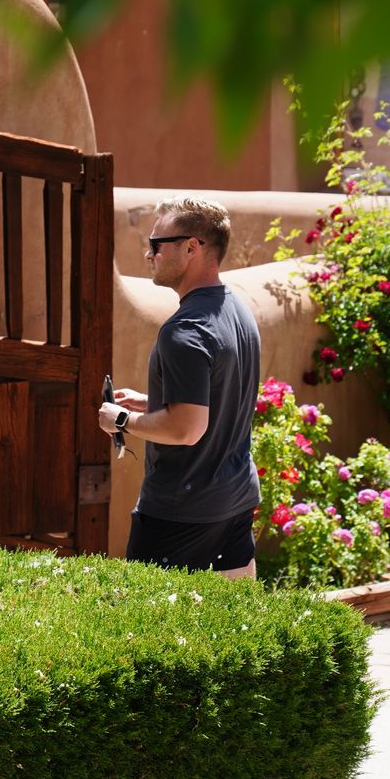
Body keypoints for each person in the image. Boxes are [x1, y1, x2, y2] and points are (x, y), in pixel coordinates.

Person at [97, 195, 261, 579]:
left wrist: (121, 419)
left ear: (192, 247)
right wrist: (150, 402)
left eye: (156, 244)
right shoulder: (237, 310)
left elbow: (187, 430)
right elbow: (216, 401)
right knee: (233, 627)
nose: (148, 254)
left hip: (180, 513)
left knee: (148, 631)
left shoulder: (184, 330)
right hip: (234, 501)